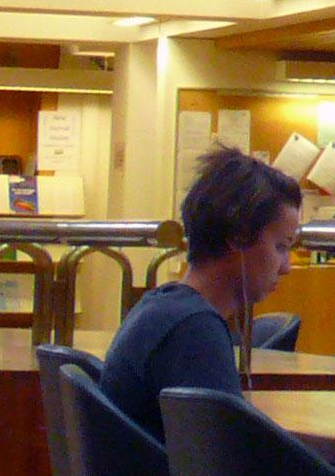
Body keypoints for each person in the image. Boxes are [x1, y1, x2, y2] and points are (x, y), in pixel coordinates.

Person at [98, 143, 303, 437]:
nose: (287, 267)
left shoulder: (162, 308)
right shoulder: (193, 332)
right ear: (239, 235)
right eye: (281, 247)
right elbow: (225, 463)